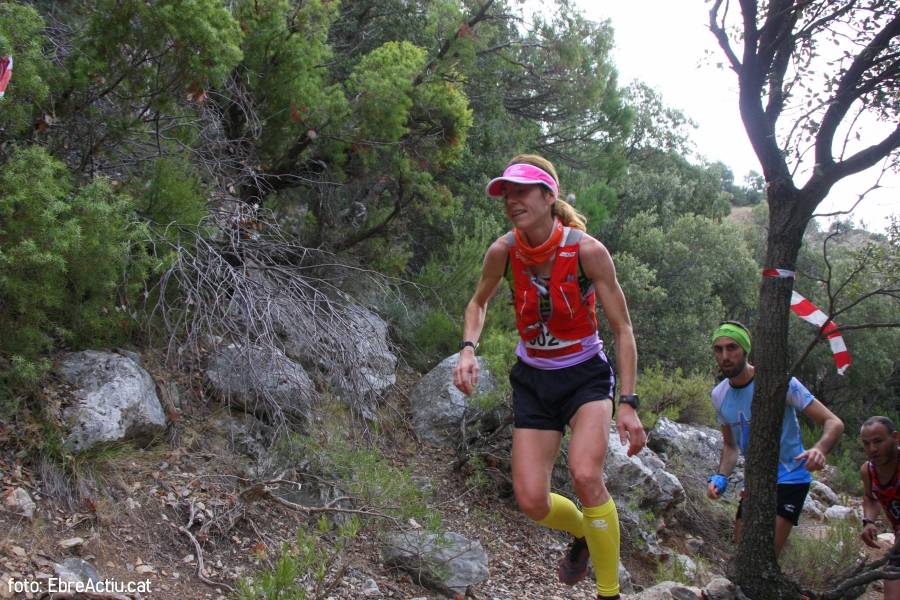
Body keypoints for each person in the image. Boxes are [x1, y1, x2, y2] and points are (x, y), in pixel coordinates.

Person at [452, 154, 645, 600]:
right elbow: (478, 303)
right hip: (534, 379)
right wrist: (468, 348)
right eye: (506, 193)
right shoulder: (503, 251)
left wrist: (630, 403)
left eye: (521, 191)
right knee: (532, 501)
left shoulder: (586, 251)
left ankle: (608, 591)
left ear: (548, 196)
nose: (512, 200)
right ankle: (583, 532)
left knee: (584, 475)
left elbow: (623, 329)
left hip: (584, 377)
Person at [706, 321, 844, 555]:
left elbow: (834, 422)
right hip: (757, 480)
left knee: (763, 555)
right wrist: (721, 476)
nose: (725, 356)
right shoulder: (719, 395)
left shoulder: (780, 382)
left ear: (745, 350)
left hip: (791, 476)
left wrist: (820, 448)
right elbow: (730, 445)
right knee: (741, 554)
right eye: (718, 350)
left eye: (732, 348)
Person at [859, 416, 900, 600]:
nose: (872, 449)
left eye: (878, 441)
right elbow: (870, 498)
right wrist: (868, 521)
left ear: (895, 438)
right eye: (866, 444)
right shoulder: (868, 470)